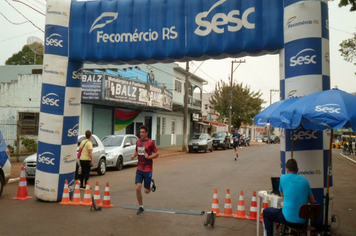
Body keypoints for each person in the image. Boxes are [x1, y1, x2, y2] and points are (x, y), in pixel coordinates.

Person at [263, 159, 316, 236]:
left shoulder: (283, 178)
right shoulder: (305, 181)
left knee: (266, 212)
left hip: (288, 219)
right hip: (303, 222)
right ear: (298, 169)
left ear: (287, 169)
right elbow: (312, 200)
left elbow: (282, 196)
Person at [131, 125, 159, 215]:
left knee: (146, 191)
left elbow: (157, 153)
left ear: (147, 133)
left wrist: (149, 157)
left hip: (148, 169)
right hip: (139, 168)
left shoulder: (150, 142)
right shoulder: (138, 141)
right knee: (138, 188)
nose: (141, 134)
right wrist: (133, 155)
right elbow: (137, 151)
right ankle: (141, 206)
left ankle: (151, 183)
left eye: (143, 132)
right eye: (140, 132)